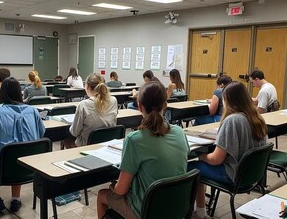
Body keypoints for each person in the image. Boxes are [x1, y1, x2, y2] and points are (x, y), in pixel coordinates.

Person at [97, 81, 189, 219]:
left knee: (101, 195)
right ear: (165, 105)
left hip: (146, 211)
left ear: (139, 107)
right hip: (177, 206)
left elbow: (121, 190)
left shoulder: (134, 139)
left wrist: (113, 187)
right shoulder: (180, 132)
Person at [188, 81, 268, 219]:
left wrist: (200, 156)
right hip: (251, 175)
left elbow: (216, 159)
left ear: (228, 100)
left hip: (233, 175)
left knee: (192, 167)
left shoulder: (232, 121)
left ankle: (199, 212)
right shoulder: (258, 119)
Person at [0, 77, 45, 214]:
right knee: (18, 153)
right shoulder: (33, 111)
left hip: (2, 167)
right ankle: (16, 199)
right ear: (20, 92)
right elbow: (41, 133)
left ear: (2, 93)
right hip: (30, 166)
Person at [65, 73, 118, 148]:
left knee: (67, 140)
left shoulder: (83, 105)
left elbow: (74, 132)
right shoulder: (114, 100)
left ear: (88, 86)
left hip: (87, 145)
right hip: (108, 143)